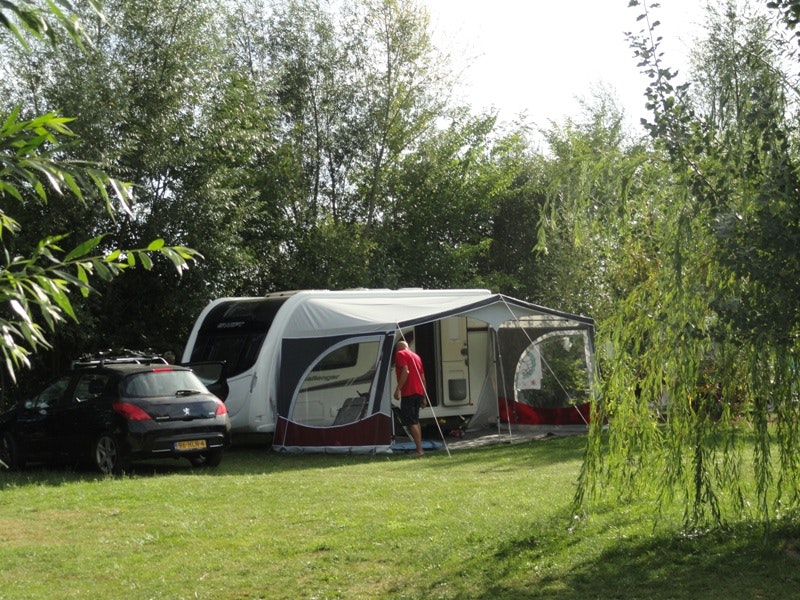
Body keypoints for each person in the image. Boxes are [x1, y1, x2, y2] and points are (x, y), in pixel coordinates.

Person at [394, 340, 427, 456]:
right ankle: (420, 448)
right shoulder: (416, 357)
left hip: (408, 392)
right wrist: (424, 396)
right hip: (418, 392)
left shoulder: (400, 354)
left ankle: (419, 450)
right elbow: (423, 378)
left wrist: (398, 389)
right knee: (415, 420)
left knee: (410, 421)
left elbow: (405, 371)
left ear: (398, 348)